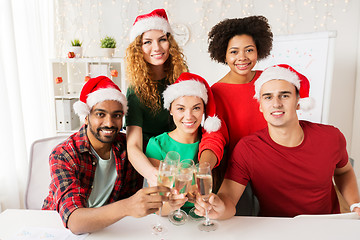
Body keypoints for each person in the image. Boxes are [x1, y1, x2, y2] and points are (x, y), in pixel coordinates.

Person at [194, 64, 360, 219]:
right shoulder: (247, 149)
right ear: (260, 105)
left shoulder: (330, 137)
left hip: (326, 227)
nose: (276, 104)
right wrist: (219, 209)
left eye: (285, 95)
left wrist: (355, 204)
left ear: (298, 101)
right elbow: (228, 199)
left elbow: (344, 172)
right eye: (268, 97)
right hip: (274, 229)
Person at [42, 76, 170, 234]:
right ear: (86, 117)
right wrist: (128, 206)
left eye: (116, 115)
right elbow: (74, 221)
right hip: (57, 230)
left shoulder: (129, 149)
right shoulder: (64, 154)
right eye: (100, 114)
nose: (109, 123)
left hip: (109, 230)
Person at [198, 16, 273, 215]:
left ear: (259, 50)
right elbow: (215, 136)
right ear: (223, 54)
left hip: (273, 166)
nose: (243, 57)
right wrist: (204, 165)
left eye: (249, 49)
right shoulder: (217, 91)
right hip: (239, 175)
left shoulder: (269, 80)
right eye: (234, 51)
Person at [125, 9, 188, 186]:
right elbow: (133, 146)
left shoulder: (182, 79)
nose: (157, 48)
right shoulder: (135, 91)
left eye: (162, 40)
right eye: (147, 42)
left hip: (183, 152)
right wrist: (154, 174)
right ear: (138, 49)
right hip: (152, 159)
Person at [145, 72, 221, 215]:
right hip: (171, 222)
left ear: (204, 110)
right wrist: (172, 205)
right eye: (181, 108)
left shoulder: (211, 144)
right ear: (170, 110)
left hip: (207, 219)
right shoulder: (156, 145)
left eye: (196, 108)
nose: (189, 116)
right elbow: (158, 209)